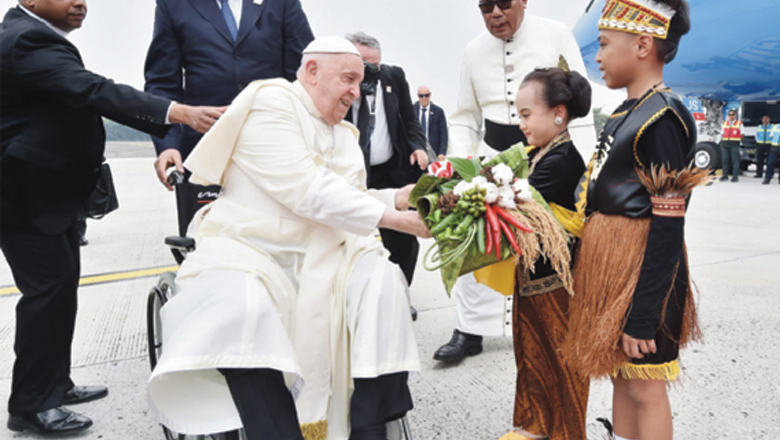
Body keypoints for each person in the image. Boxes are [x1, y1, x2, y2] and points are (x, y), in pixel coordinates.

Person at [147, 37, 429, 440]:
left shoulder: (345, 135)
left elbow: (349, 197)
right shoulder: (271, 103)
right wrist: (396, 220)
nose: (356, 91)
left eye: (360, 82)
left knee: (382, 282)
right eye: (348, 79)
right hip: (253, 248)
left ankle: (369, 427)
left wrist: (397, 198)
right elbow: (307, 190)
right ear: (312, 71)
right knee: (243, 307)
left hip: (328, 251)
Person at [0, 0, 224, 435]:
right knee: (46, 295)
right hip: (24, 196)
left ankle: (54, 385)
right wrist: (179, 112)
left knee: (59, 292)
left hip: (46, 196)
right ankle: (31, 405)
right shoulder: (26, 39)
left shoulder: (32, 36)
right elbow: (94, 90)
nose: (80, 3)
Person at [561, 1, 704, 440]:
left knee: (644, 384)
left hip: (644, 275)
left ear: (643, 45)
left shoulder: (663, 117)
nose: (598, 56)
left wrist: (643, 314)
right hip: (613, 269)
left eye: (605, 45)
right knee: (621, 375)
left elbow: (668, 224)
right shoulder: (627, 112)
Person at [434, 0, 595, 364]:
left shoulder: (556, 34)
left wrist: (585, 167)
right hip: (492, 157)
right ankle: (468, 329)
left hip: (548, 154)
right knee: (475, 234)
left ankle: (544, 320)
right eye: (485, 6)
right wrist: (462, 168)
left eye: (504, 3)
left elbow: (577, 102)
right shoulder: (473, 50)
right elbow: (464, 116)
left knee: (546, 245)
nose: (495, 12)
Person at [144, 0, 314, 235]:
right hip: (206, 150)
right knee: (205, 239)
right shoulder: (173, 5)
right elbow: (163, 83)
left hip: (274, 146)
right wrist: (168, 145)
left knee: (278, 238)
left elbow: (305, 74)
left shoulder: (281, 3)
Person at [498, 66, 590, 440]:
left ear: (558, 114)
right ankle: (536, 424)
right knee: (531, 352)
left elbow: (512, 203)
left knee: (562, 360)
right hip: (532, 277)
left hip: (556, 283)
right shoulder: (539, 153)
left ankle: (567, 432)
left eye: (526, 114)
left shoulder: (562, 159)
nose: (521, 124)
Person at [344, 32, 429, 309]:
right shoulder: (341, 86)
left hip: (393, 171)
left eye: (375, 65)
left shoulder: (394, 77)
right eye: (364, 65)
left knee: (403, 240)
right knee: (355, 238)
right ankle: (358, 301)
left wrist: (418, 147)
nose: (371, 71)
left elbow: (410, 120)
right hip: (357, 173)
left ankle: (400, 296)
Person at [414, 86, 449, 161]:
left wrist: (442, 152)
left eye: (426, 95)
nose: (424, 98)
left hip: (433, 152)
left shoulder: (438, 112)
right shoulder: (412, 110)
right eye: (421, 96)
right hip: (417, 151)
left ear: (430, 95)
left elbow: (443, 134)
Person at [719, 108, 742, 182]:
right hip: (725, 144)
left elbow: (742, 134)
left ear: (735, 115)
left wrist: (738, 140)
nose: (731, 116)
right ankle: (725, 175)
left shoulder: (739, 123)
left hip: (734, 144)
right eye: (730, 115)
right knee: (725, 160)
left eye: (733, 115)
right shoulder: (725, 123)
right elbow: (722, 133)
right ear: (728, 116)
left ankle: (735, 176)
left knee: (735, 160)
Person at [754, 114, 773, 179]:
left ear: (769, 120)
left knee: (770, 160)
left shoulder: (772, 127)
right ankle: (759, 173)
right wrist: (758, 141)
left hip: (769, 144)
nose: (765, 120)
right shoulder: (759, 127)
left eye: (766, 119)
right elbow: (756, 135)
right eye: (764, 119)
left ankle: (769, 174)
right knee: (759, 160)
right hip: (760, 144)